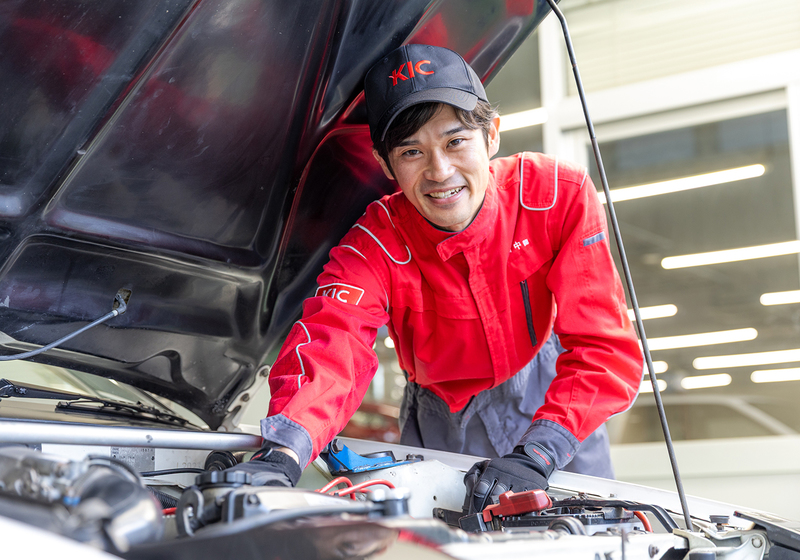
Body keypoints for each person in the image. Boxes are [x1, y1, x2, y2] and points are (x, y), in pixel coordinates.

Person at [231, 44, 643, 512]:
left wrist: (542, 451)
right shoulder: (374, 243)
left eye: (455, 141)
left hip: (558, 402)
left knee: (589, 533)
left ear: (491, 134)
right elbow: (334, 344)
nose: (440, 171)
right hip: (441, 419)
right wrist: (284, 451)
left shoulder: (555, 196)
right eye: (412, 151)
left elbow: (603, 347)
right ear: (386, 165)